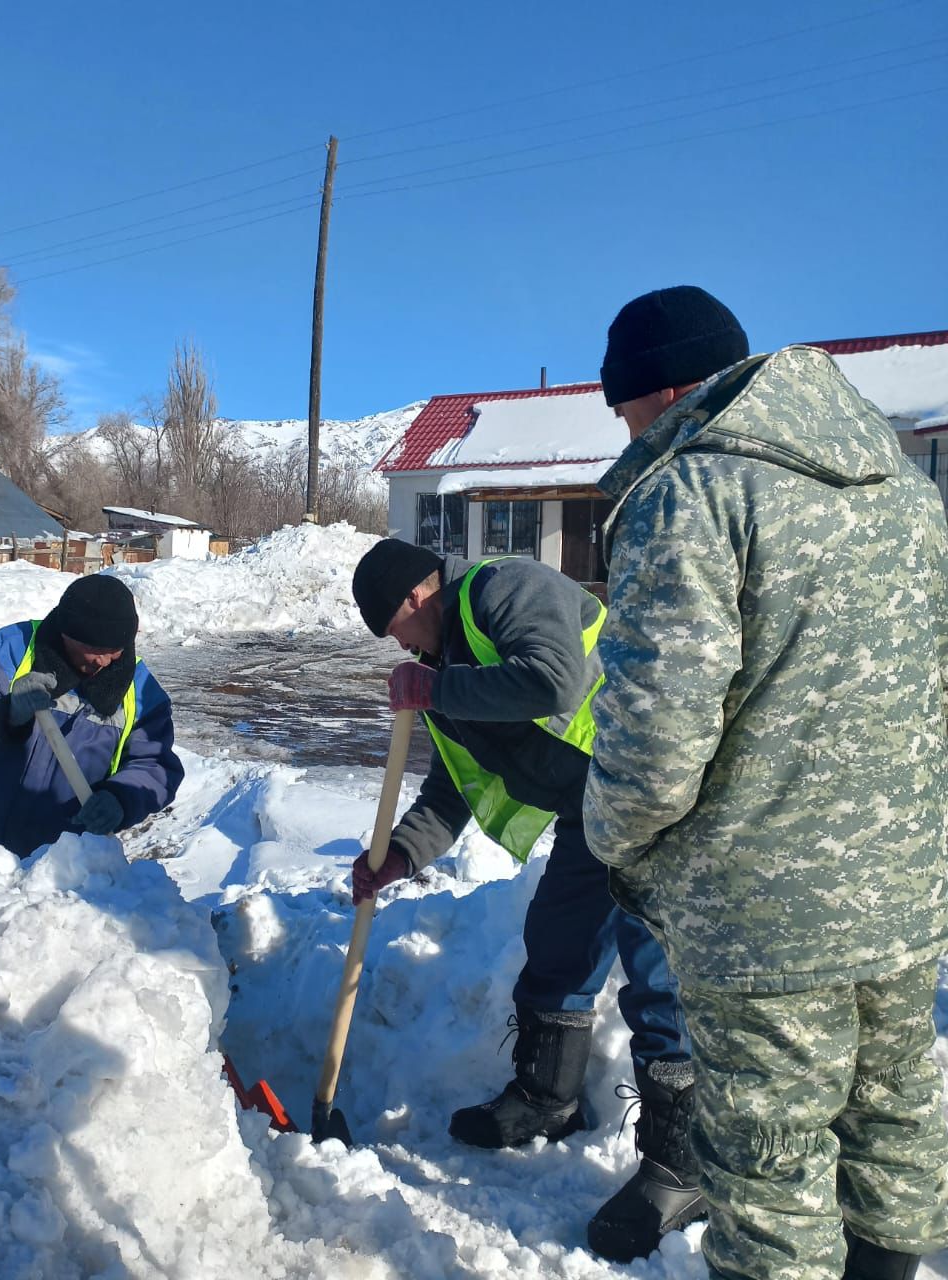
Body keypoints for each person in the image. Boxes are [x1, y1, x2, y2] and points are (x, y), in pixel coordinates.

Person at [583, 285, 948, 1280]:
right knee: (893, 1118)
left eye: (620, 409)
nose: (621, 428)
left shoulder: (689, 494)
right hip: (905, 893)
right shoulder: (907, 494)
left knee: (770, 1171)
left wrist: (613, 840)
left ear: (656, 392)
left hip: (760, 916)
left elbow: (653, 739)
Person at [351, 537, 700, 1262]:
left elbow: (554, 683)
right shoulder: (439, 668)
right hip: (588, 810)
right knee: (558, 944)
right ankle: (549, 1097)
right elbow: (453, 785)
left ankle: (684, 1163)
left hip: (644, 788)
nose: (402, 648)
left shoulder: (505, 588)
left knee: (653, 968)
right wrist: (400, 855)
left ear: (416, 598)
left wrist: (436, 691)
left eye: (396, 631)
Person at [0, 573, 184, 858]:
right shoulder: (11, 649)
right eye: (91, 648)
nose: (101, 661)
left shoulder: (141, 692)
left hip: (58, 863)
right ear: (66, 633)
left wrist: (121, 798)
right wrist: (6, 714)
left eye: (112, 651)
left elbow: (155, 764)